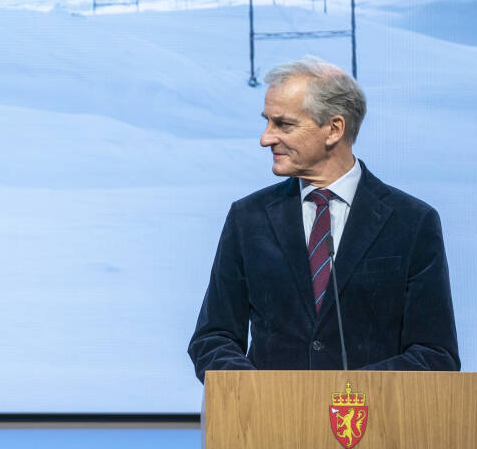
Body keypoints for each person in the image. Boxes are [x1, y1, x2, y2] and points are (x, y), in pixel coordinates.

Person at [188, 57, 459, 381]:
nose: (266, 138)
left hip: (371, 426)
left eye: (283, 124)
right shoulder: (248, 218)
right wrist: (258, 395)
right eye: (267, 122)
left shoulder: (412, 222)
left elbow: (435, 354)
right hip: (270, 425)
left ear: (334, 129)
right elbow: (213, 339)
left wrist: (343, 395)